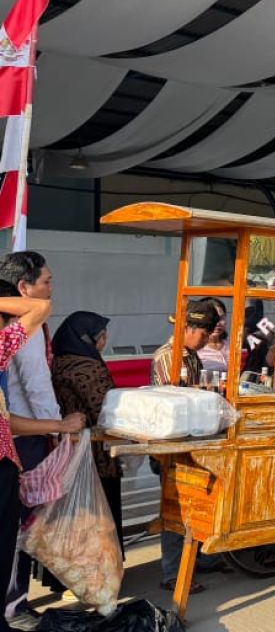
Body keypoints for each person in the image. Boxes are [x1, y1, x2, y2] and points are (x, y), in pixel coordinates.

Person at [0, 285, 85, 632]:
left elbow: (39, 308)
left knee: (5, 552)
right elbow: (39, 307)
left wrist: (58, 425)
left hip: (5, 465)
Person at [0, 252, 60, 627]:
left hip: (9, 450)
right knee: (11, 539)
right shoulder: (7, 342)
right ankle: (11, 606)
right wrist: (58, 429)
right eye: (46, 280)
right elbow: (41, 311)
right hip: (12, 450)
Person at [150, 300, 221, 594]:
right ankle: (172, 572)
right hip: (169, 444)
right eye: (203, 335)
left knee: (196, 504)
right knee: (176, 508)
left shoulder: (191, 355)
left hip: (189, 441)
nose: (206, 341)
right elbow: (175, 398)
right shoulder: (169, 356)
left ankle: (194, 557)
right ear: (189, 328)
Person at [49, 313, 125, 552]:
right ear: (91, 339)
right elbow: (106, 408)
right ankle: (98, 576)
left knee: (74, 516)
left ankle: (71, 578)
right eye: (102, 336)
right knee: (98, 515)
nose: (105, 341)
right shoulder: (88, 368)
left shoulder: (60, 361)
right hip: (93, 454)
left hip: (66, 450)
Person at [196, 298, 229, 376]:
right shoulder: (194, 348)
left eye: (221, 318)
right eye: (212, 318)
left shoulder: (234, 344)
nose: (217, 323)